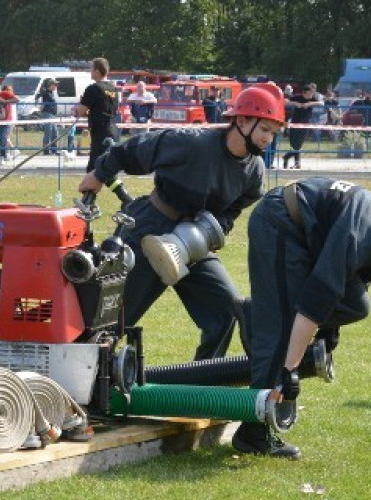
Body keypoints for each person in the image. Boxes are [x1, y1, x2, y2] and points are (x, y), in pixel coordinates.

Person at [78, 83, 285, 360]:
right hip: (150, 227)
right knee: (112, 319)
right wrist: (99, 174)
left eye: (273, 132)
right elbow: (130, 151)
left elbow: (231, 212)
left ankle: (199, 387)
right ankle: (88, 383)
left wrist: (212, 231)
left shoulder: (254, 172)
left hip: (196, 242)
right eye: (264, 129)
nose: (268, 139)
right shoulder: (191, 142)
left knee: (225, 311)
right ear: (242, 120)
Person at [232, 177, 371, 459]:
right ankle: (252, 432)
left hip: (310, 235)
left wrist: (331, 326)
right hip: (280, 221)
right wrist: (290, 367)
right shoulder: (364, 233)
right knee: (281, 331)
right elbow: (317, 301)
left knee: (358, 305)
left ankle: (259, 316)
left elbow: (350, 287)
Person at [76, 57, 119, 172]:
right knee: (104, 168)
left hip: (100, 132)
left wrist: (83, 107)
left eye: (91, 68)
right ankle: (119, 190)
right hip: (113, 130)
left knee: (94, 169)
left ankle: (89, 190)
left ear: (97, 71)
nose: (90, 71)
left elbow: (81, 112)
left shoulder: (93, 88)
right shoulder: (114, 89)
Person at [282, 84, 323, 169]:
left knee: (298, 145)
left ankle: (287, 157)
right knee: (294, 144)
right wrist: (296, 103)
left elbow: (321, 103)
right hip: (294, 123)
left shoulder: (312, 99)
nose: (312, 94)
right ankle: (296, 163)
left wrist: (309, 104)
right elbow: (285, 101)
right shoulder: (298, 97)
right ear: (305, 93)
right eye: (310, 92)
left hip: (304, 125)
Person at [0, 81, 19, 164]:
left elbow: (17, 99)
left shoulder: (5, 93)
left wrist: (5, 101)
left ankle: (6, 155)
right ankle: (2, 157)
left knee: (4, 138)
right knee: (0, 139)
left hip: (7, 120)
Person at [37, 78, 59, 154]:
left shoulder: (51, 93)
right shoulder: (46, 92)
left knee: (55, 132)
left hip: (53, 115)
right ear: (51, 85)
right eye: (55, 84)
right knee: (48, 132)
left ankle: (54, 150)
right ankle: (46, 150)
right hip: (47, 114)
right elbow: (38, 96)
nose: (56, 86)